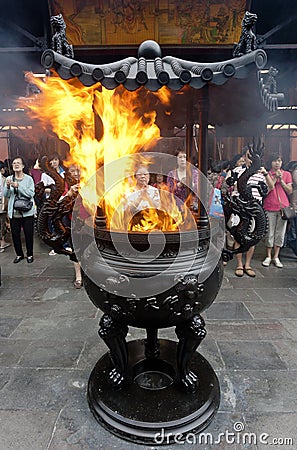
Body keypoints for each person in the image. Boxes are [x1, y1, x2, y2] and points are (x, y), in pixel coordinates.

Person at [231, 146, 267, 277]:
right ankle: (239, 264)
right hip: (240, 207)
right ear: (245, 157)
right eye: (248, 156)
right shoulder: (237, 171)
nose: (250, 159)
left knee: (253, 236)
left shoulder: (260, 174)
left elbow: (266, 190)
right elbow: (230, 187)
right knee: (239, 235)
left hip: (255, 208)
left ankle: (248, 264)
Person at [262, 154, 293, 268]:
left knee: (280, 233)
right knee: (270, 232)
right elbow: (267, 190)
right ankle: (268, 255)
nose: (277, 163)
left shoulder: (287, 174)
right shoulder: (267, 174)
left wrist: (282, 180)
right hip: (270, 206)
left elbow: (289, 191)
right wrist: (274, 178)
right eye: (275, 161)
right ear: (271, 162)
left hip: (282, 208)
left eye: (279, 161)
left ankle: (276, 256)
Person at [4, 156, 35, 263]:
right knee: (15, 234)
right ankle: (19, 254)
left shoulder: (29, 179)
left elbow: (31, 194)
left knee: (28, 234)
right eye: (14, 163)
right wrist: (8, 187)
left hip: (27, 212)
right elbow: (6, 195)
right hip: (14, 212)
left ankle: (30, 254)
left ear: (22, 166)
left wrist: (18, 187)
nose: (16, 165)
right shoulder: (9, 179)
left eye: (18, 163)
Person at [124, 165, 160, 229]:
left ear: (149, 176)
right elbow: (129, 210)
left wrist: (147, 196)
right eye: (140, 174)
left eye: (145, 174)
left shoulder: (154, 190)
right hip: (134, 224)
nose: (143, 176)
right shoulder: (130, 191)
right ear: (135, 177)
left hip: (152, 223)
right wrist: (141, 196)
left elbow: (157, 207)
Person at [0, 161, 10, 252]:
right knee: (1, 224)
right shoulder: (3, 179)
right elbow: (4, 194)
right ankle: (2, 243)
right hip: (1, 206)